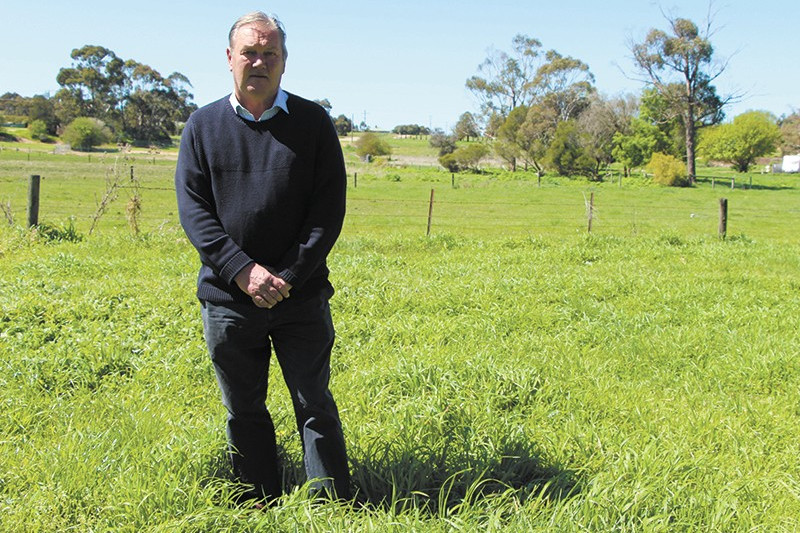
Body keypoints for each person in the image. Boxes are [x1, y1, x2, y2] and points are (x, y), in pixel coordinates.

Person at [175, 11, 350, 506]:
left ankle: (333, 504)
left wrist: (289, 275)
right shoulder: (202, 126)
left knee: (314, 402)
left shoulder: (313, 123)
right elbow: (195, 212)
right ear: (229, 58)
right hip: (228, 300)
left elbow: (327, 211)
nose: (259, 61)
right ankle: (256, 503)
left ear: (284, 62)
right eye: (249, 52)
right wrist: (243, 271)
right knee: (244, 407)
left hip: (302, 298)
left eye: (269, 53)